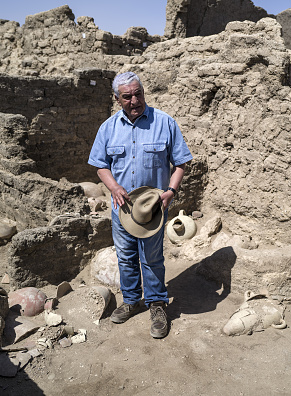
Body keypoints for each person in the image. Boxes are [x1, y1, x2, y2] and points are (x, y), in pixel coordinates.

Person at [88, 71, 192, 338]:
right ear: (116, 98)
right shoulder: (108, 128)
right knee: (126, 257)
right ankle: (132, 300)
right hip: (121, 210)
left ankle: (157, 303)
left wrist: (171, 191)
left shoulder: (164, 122)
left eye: (138, 94)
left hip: (152, 211)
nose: (134, 100)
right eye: (127, 96)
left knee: (152, 258)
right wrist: (114, 187)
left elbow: (180, 163)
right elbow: (100, 166)